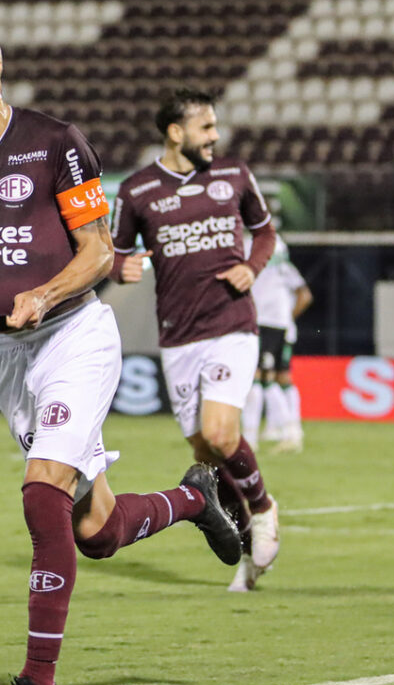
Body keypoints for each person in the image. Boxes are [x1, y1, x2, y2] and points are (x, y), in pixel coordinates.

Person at [0, 23, 240, 685]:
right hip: (5, 355)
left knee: (41, 490)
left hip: (73, 334)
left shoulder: (54, 142)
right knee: (95, 531)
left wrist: (46, 294)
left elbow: (100, 251)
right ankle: (195, 498)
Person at [109, 88, 280, 594]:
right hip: (179, 338)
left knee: (221, 434)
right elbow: (113, 253)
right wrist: (121, 267)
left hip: (231, 324)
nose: (215, 136)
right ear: (175, 132)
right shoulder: (137, 191)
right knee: (207, 453)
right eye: (206, 127)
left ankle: (264, 510)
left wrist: (252, 267)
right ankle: (246, 550)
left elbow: (265, 232)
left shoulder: (234, 175)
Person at [242, 232, 313, 453]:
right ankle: (288, 430)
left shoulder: (249, 245)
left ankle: (255, 436)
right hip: (278, 322)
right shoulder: (283, 263)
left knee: (259, 377)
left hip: (264, 319)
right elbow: (305, 295)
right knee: (274, 377)